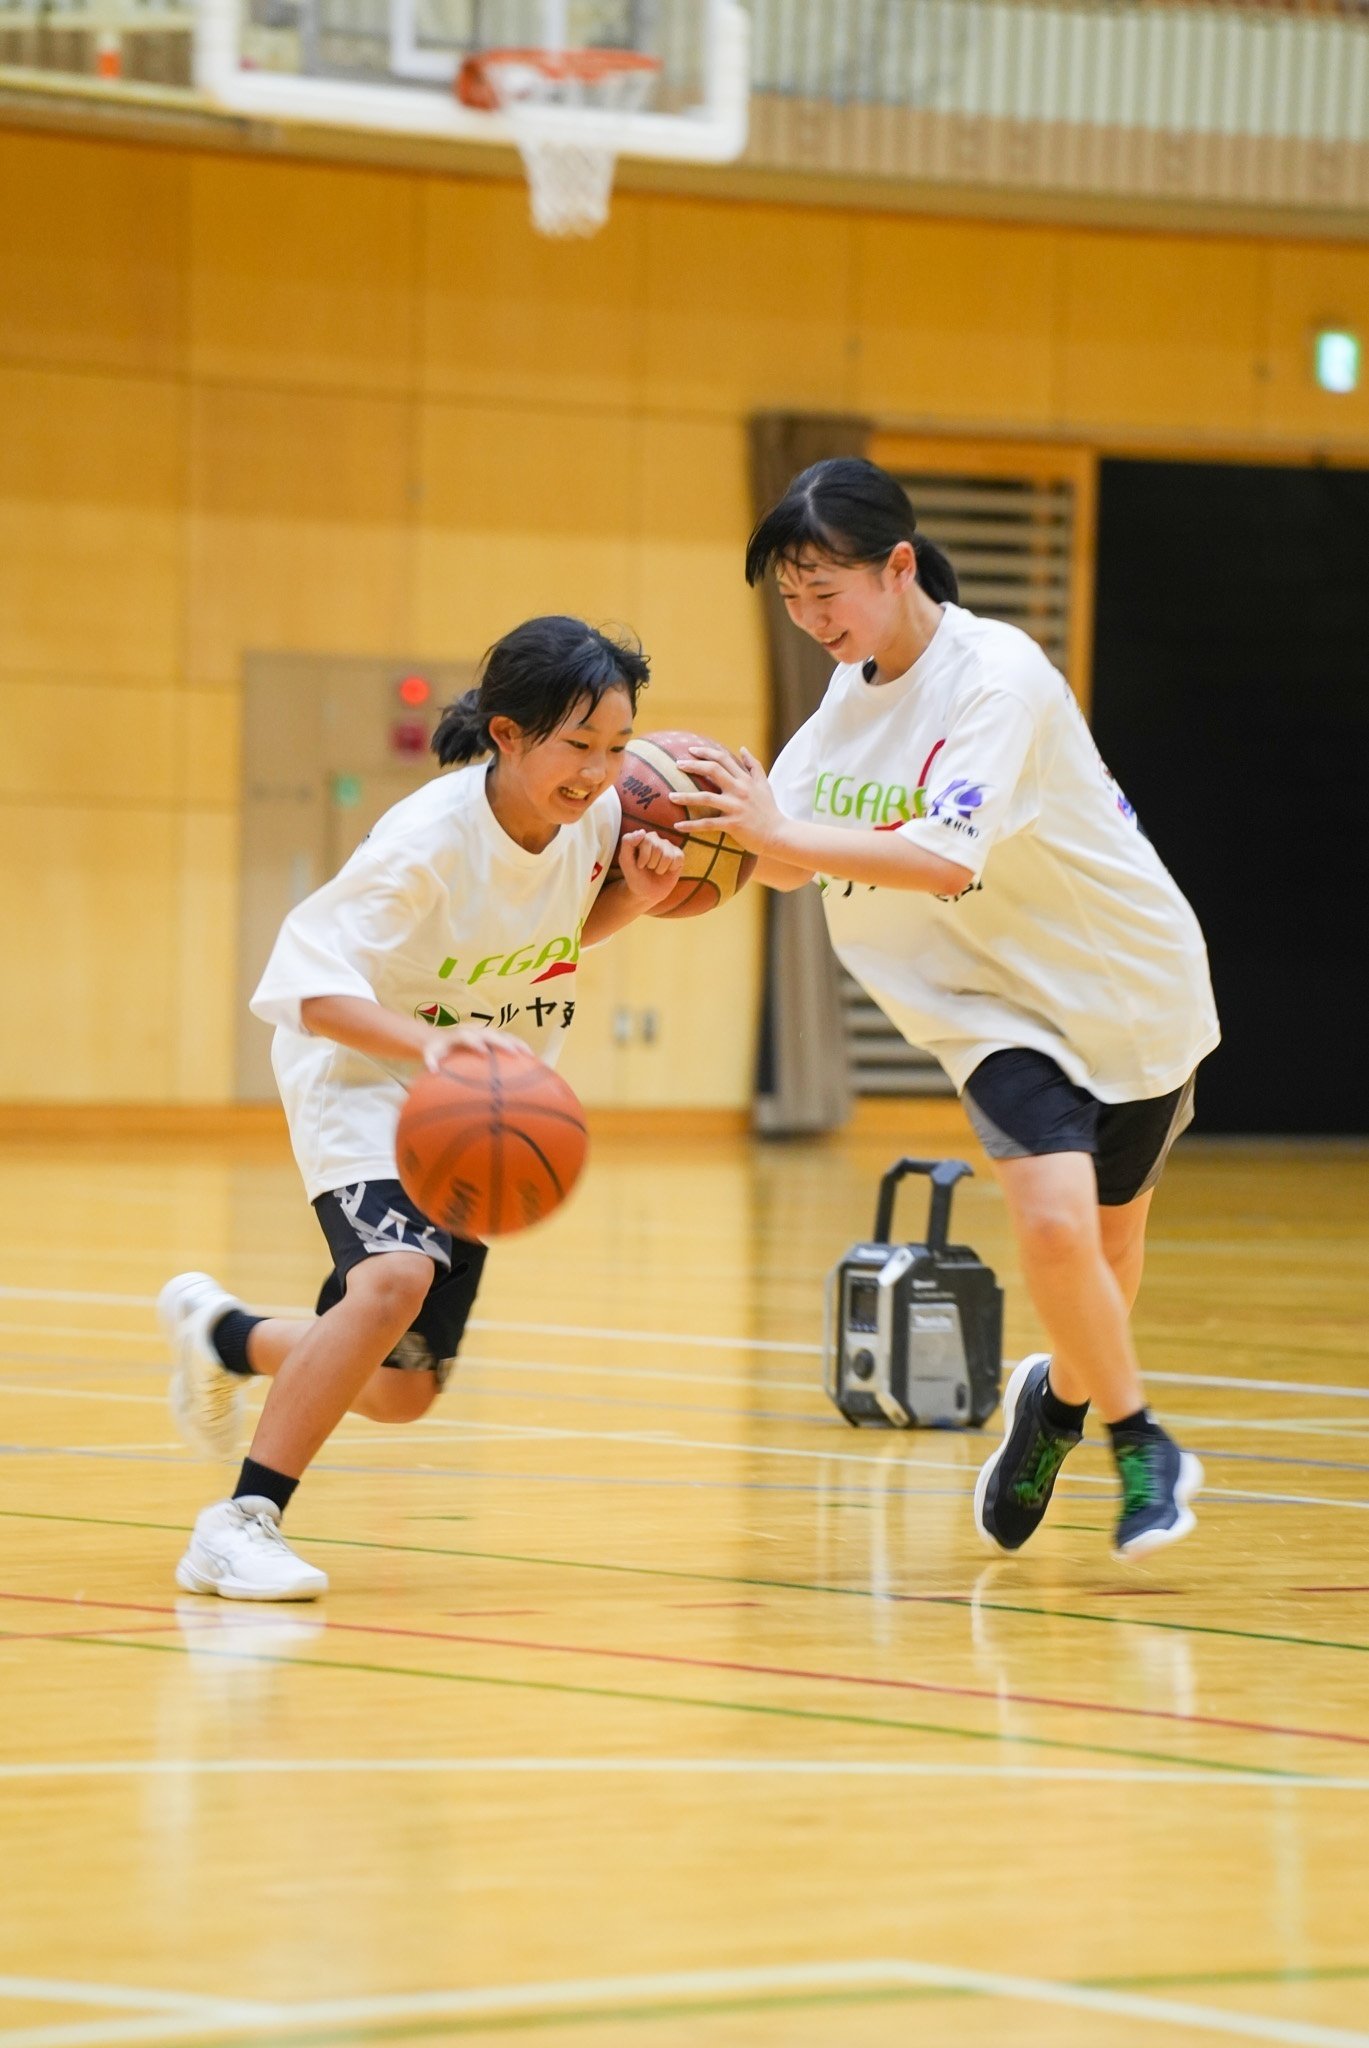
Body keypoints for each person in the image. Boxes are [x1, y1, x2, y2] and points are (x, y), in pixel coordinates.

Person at [677, 457, 1218, 1561]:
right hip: (984, 1008)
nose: (808, 618)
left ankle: (1054, 1409)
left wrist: (774, 836)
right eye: (790, 599)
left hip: (1125, 989)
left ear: (899, 564)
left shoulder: (994, 677)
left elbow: (934, 856)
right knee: (1055, 1223)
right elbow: (781, 850)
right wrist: (670, 853)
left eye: (825, 592)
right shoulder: (846, 693)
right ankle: (1140, 1445)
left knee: (1103, 1261)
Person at [160, 615, 682, 1600]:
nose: (600, 771)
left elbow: (554, 934)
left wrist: (636, 901)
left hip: (475, 1096)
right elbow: (307, 989)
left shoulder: (596, 820)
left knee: (400, 1390)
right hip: (362, 1076)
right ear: (508, 734)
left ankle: (225, 1335)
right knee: (394, 1277)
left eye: (617, 747)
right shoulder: (426, 840)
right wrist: (429, 1044)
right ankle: (237, 1522)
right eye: (578, 746)